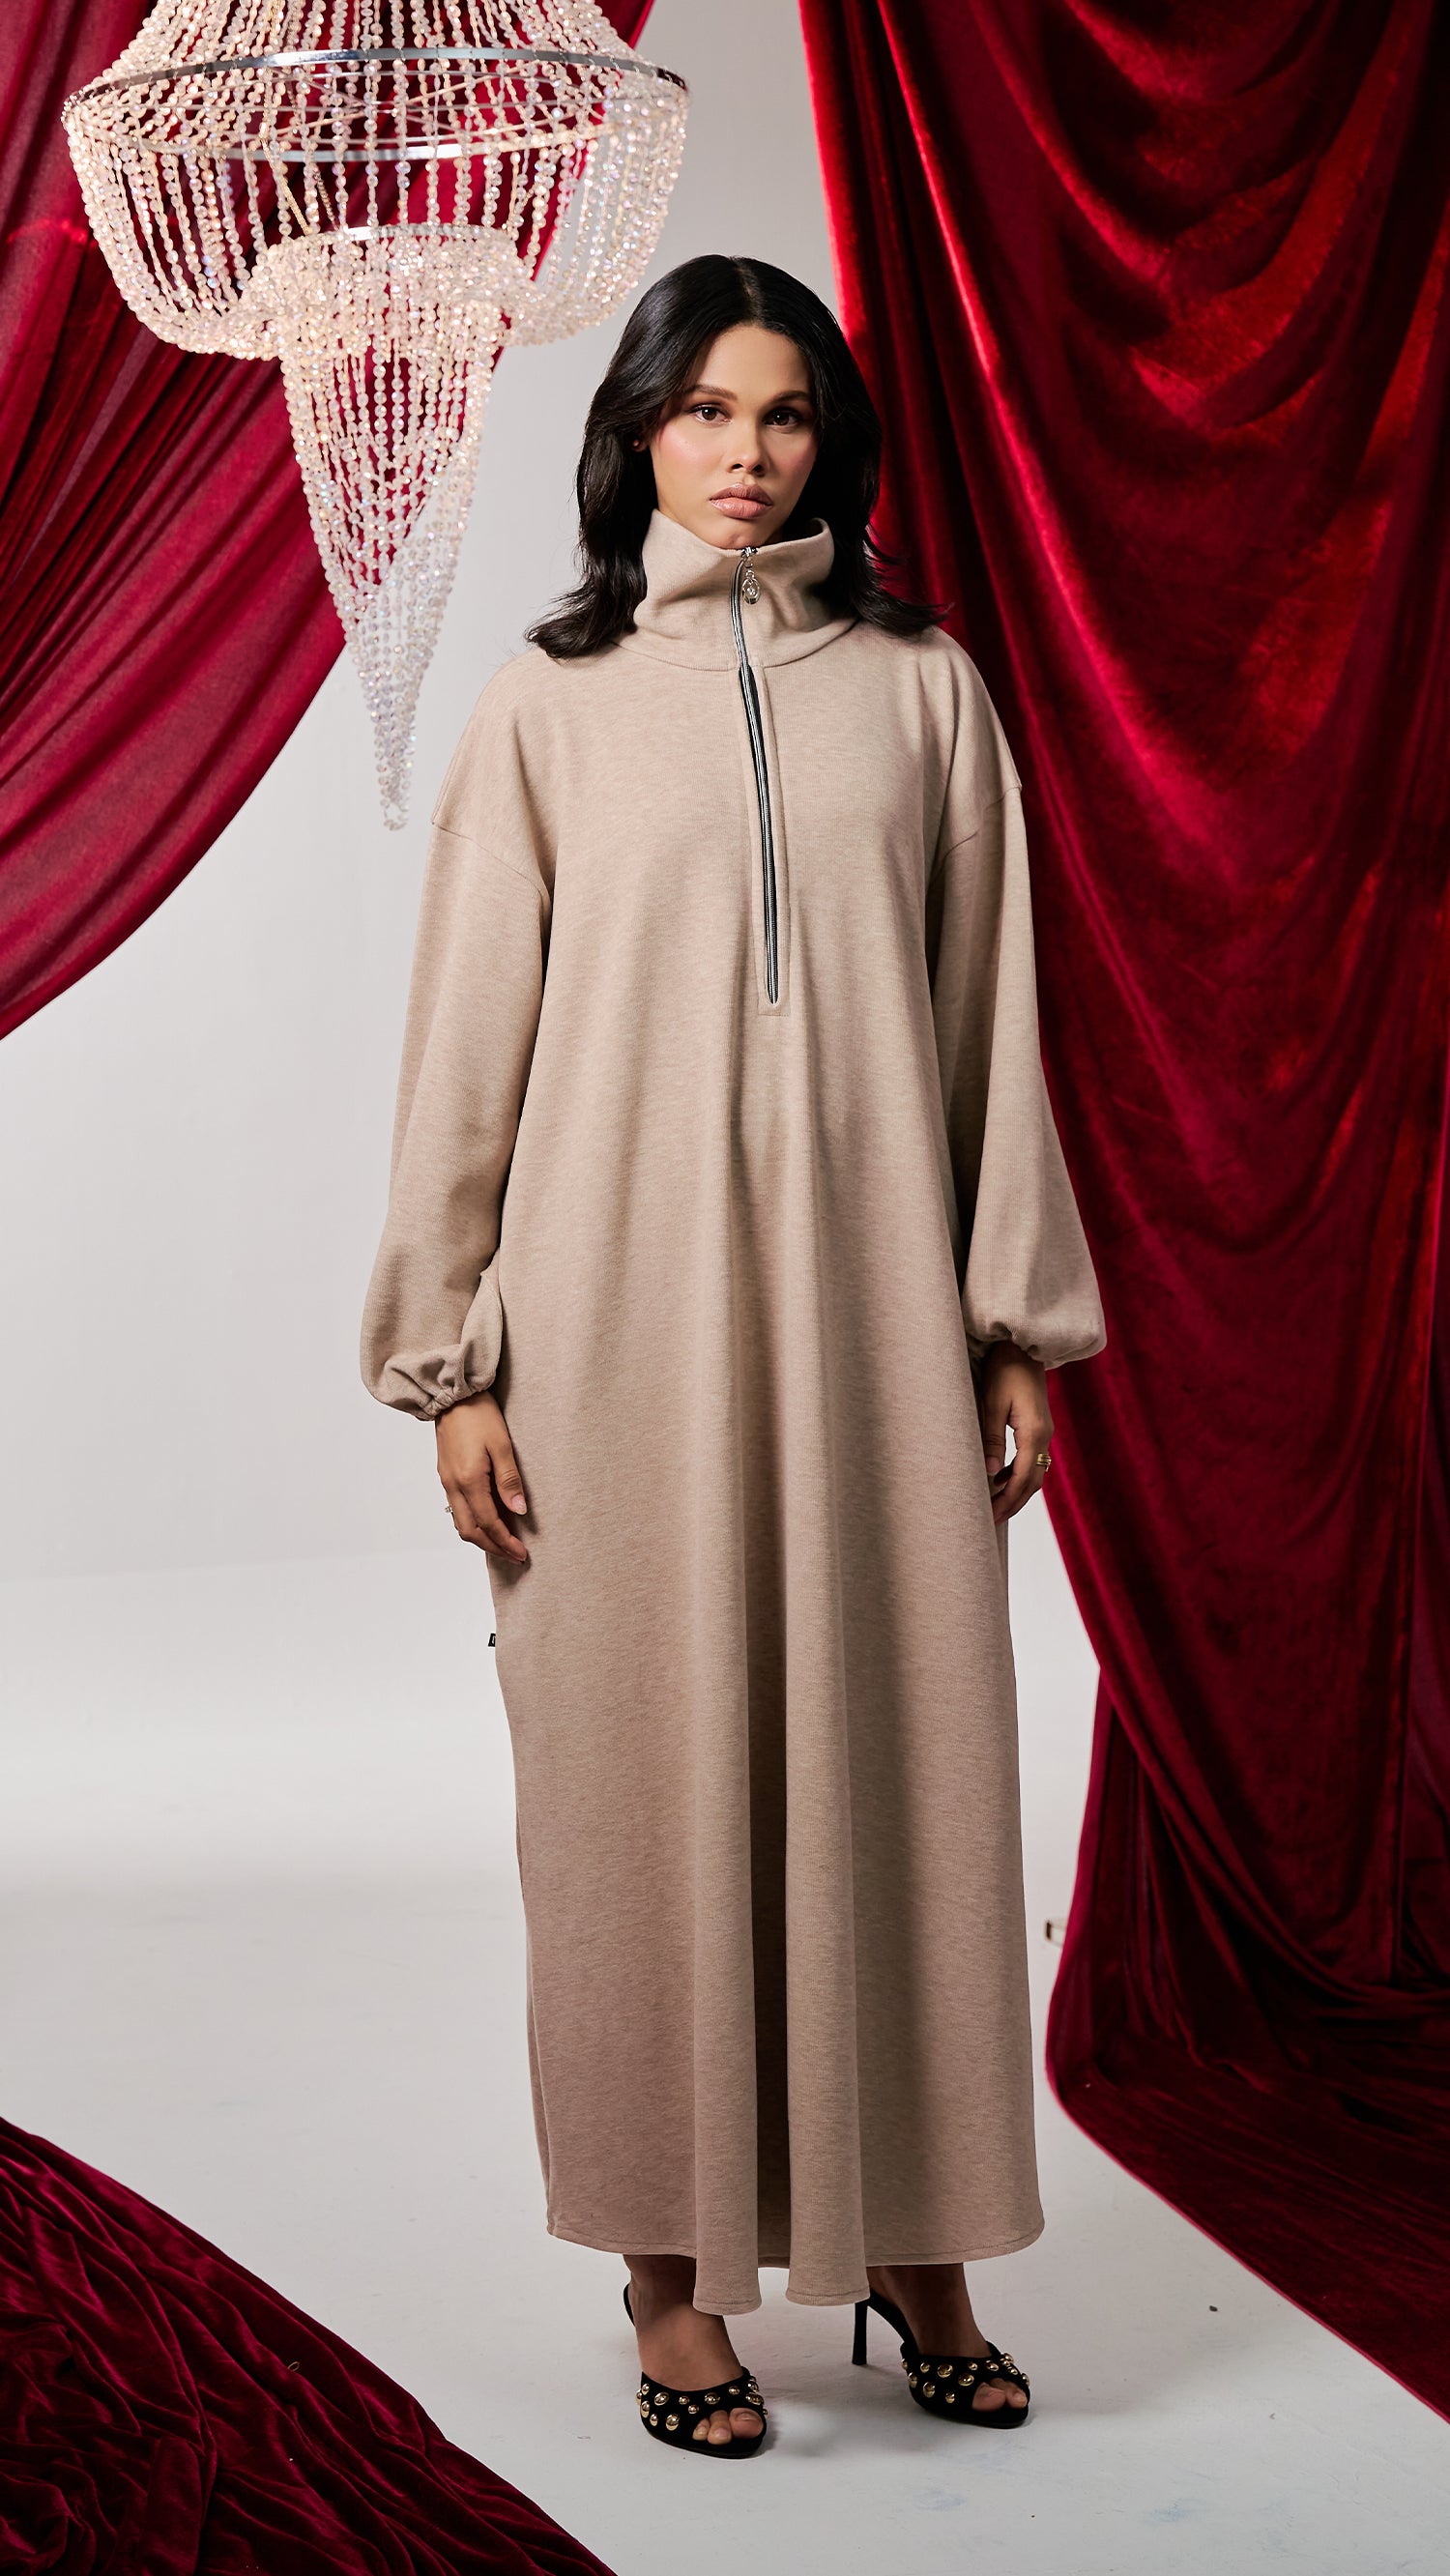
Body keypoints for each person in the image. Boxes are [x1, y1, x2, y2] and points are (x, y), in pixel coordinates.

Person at [361, 252, 1106, 2459]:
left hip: (876, 1327)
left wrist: (1013, 1325)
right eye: (705, 410)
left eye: (784, 414)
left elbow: (990, 1022)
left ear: (831, 444)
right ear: (638, 436)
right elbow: (466, 1051)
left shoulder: (925, 692)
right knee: (638, 1787)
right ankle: (668, 2269)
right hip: (611, 1336)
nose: (747, 452)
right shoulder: (548, 707)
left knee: (910, 1769)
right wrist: (450, 1363)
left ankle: (919, 2240)